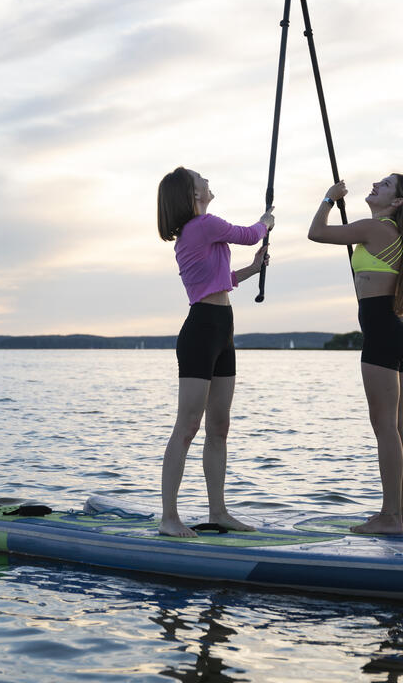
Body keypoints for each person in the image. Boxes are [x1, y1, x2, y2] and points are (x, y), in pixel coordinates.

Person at [156, 166, 274, 538]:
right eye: (199, 177)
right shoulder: (203, 226)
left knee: (219, 427)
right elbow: (249, 233)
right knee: (188, 426)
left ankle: (218, 512)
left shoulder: (201, 233)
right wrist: (266, 223)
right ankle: (169, 518)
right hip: (201, 330)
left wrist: (253, 269)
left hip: (223, 329)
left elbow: (219, 280)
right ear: (193, 194)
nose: (206, 179)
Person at [308, 173, 403, 535]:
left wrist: (329, 199)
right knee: (397, 427)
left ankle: (390, 517)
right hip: (397, 329)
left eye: (386, 185)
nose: (376, 184)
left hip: (383, 334)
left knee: (385, 427)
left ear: (397, 202)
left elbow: (317, 233)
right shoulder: (392, 234)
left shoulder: (376, 229)